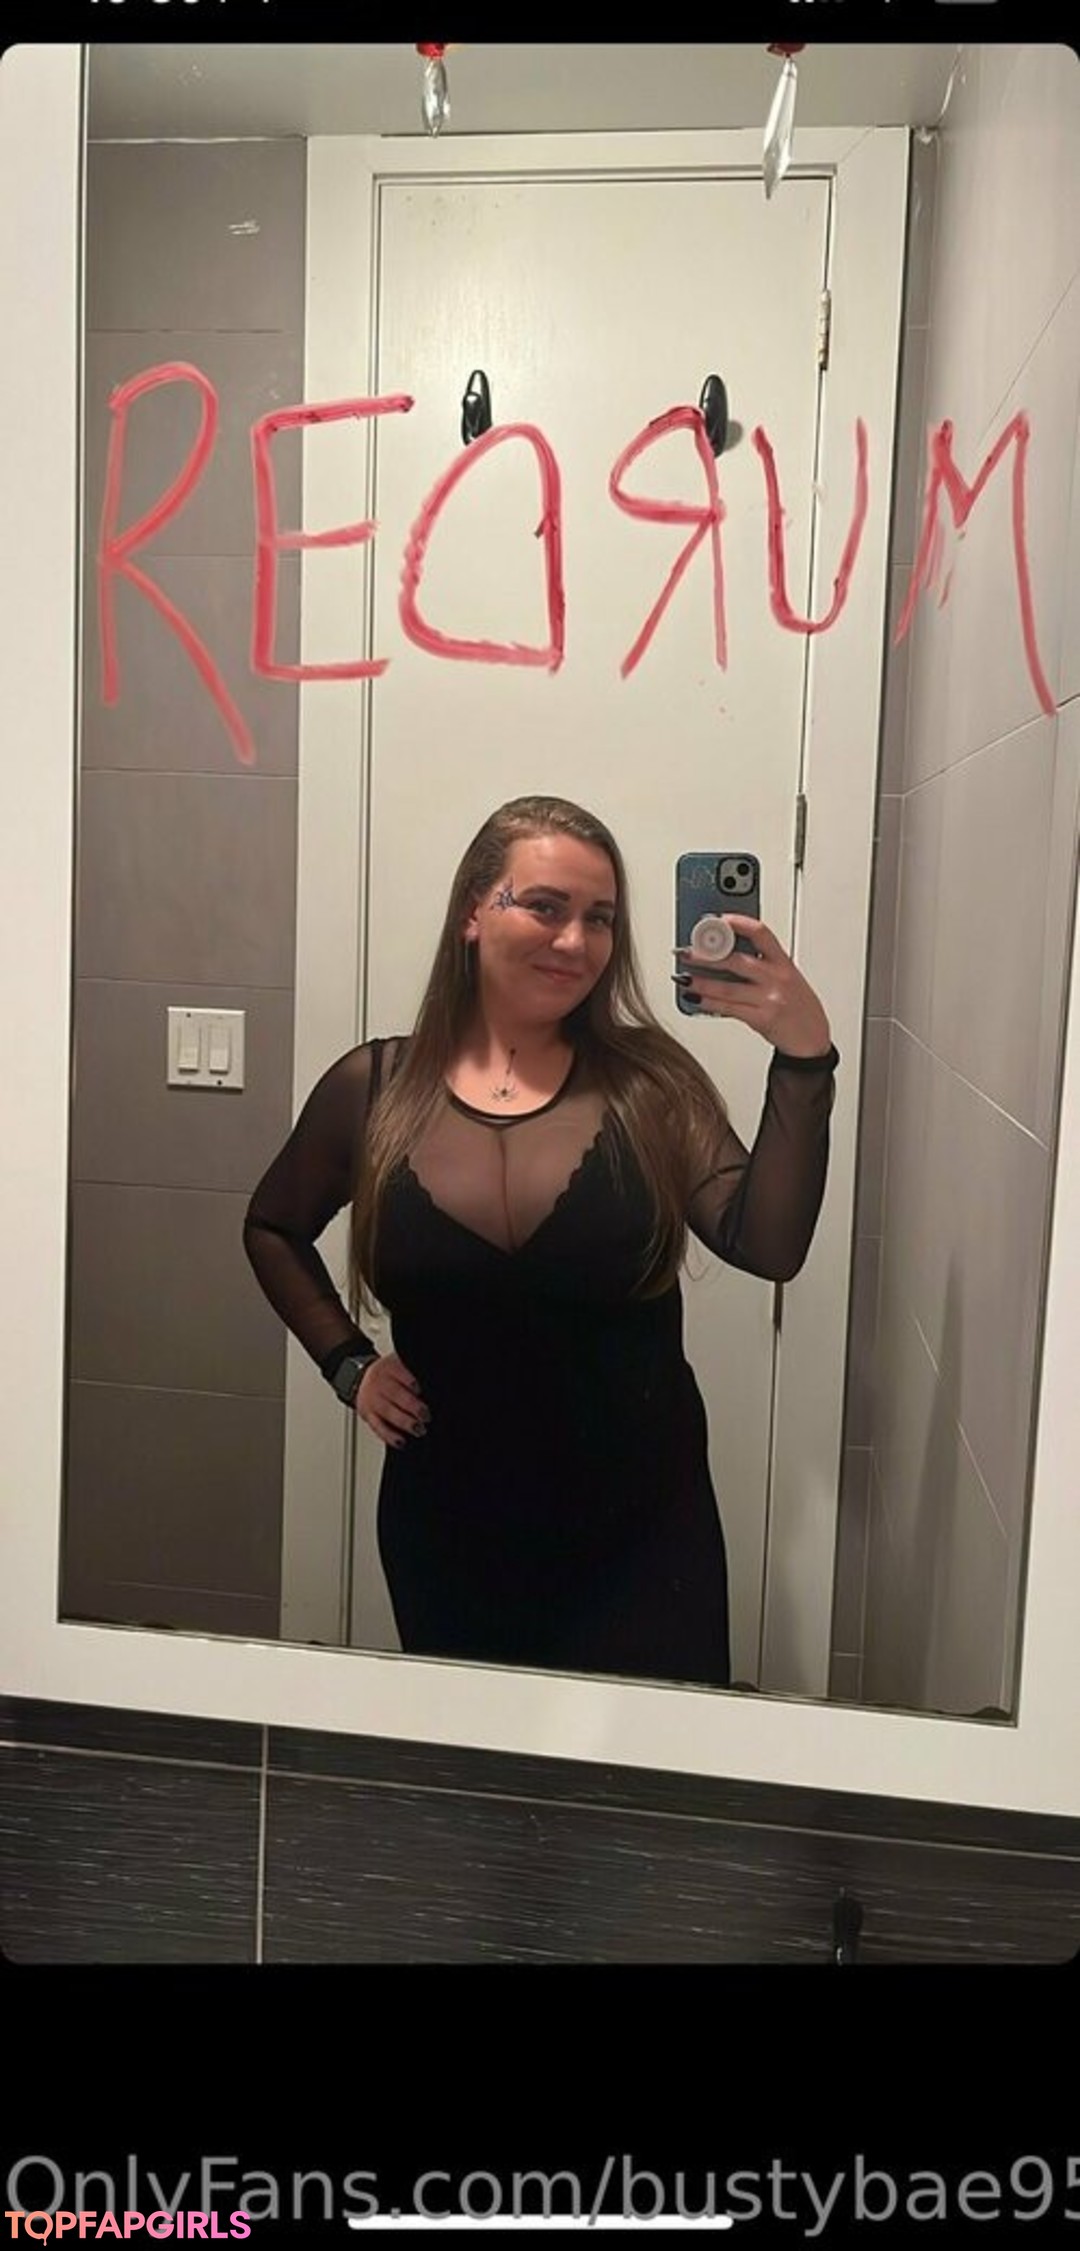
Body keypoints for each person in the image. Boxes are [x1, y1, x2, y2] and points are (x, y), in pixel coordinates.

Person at [243, 795, 838, 1689]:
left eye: (600, 918)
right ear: (472, 912)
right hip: (451, 1527)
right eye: (546, 906)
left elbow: (769, 1244)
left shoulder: (652, 1088)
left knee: (646, 1771)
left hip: (645, 1539)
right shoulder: (372, 1090)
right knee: (474, 1765)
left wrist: (804, 1054)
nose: (576, 941)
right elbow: (272, 1226)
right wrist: (348, 1364)